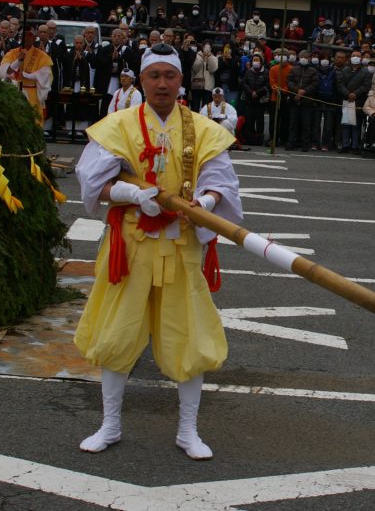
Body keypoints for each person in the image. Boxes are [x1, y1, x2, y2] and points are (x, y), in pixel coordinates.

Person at [74, 45, 242, 460]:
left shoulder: (202, 128)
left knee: (189, 337)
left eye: (170, 75)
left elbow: (223, 182)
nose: (162, 83)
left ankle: (188, 430)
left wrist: (202, 202)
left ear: (182, 81)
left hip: (181, 245)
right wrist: (132, 192)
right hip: (129, 247)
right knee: (117, 335)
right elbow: (94, 183)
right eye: (155, 76)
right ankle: (110, 424)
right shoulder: (117, 125)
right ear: (142, 80)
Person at [0, 28, 54, 126]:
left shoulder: (42, 56)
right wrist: (18, 61)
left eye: (29, 38)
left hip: (32, 92)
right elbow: (4, 72)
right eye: (24, 38)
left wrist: (25, 75)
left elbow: (45, 75)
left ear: (33, 40)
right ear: (21, 39)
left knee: (33, 121)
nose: (27, 40)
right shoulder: (12, 53)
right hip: (15, 91)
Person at [241, 54, 269, 145]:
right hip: (249, 99)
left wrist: (258, 92)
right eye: (254, 60)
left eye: (257, 60)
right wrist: (251, 92)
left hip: (260, 100)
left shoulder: (266, 72)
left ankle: (260, 139)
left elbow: (267, 85)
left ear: (261, 61)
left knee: (260, 120)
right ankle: (250, 139)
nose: (255, 62)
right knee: (250, 120)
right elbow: (244, 83)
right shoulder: (249, 71)